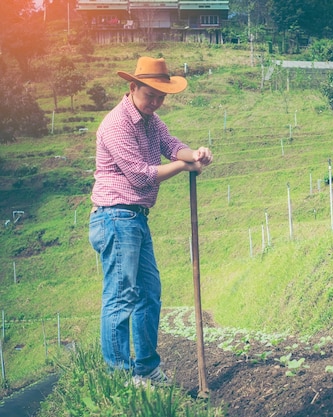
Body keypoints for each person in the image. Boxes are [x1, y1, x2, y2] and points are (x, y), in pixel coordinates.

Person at [89, 56, 213, 385]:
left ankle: (145, 367)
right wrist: (185, 167)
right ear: (132, 88)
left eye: (161, 97)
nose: (156, 102)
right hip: (115, 216)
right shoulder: (116, 124)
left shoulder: (151, 121)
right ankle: (119, 376)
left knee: (149, 292)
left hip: (135, 218)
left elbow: (171, 145)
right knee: (121, 294)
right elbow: (142, 177)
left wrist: (195, 154)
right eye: (151, 95)